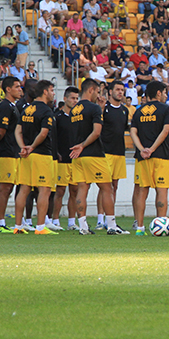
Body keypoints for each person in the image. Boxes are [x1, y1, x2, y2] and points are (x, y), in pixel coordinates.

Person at [69, 78, 120, 235]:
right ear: (91, 90)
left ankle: (83, 226)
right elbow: (96, 131)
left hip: (77, 156)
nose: (98, 95)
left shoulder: (74, 110)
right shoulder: (93, 108)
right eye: (97, 91)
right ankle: (111, 225)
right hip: (93, 154)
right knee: (107, 188)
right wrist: (84, 145)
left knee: (82, 189)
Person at [12, 80, 58, 235]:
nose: (53, 93)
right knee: (44, 190)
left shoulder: (27, 109)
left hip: (26, 156)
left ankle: (18, 226)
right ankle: (40, 227)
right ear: (45, 91)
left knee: (24, 189)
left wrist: (23, 147)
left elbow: (17, 131)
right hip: (41, 154)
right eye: (51, 90)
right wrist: (32, 147)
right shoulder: (46, 111)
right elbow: (44, 133)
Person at [130, 81, 169, 235]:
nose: (166, 95)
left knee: (142, 192)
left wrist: (143, 150)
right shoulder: (166, 109)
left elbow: (133, 132)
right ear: (158, 93)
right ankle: (161, 226)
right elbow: (166, 130)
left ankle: (140, 228)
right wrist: (153, 149)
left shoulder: (138, 111)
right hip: (161, 156)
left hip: (142, 158)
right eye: (164, 92)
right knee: (161, 192)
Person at [0, 76, 22, 233]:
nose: (20, 89)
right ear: (8, 89)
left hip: (12, 151)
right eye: (17, 87)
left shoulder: (13, 106)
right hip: (5, 152)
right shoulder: (5, 106)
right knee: (4, 187)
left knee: (8, 187)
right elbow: (1, 131)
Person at [97, 80, 130, 232]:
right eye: (117, 89)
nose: (120, 92)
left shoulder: (125, 110)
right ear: (110, 91)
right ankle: (100, 219)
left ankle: (111, 218)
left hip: (119, 153)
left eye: (122, 90)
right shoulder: (104, 108)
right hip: (105, 152)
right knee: (105, 187)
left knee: (114, 186)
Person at [53, 87, 80, 231]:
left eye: (76, 98)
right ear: (65, 99)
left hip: (75, 160)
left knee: (75, 190)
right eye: (72, 98)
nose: (75, 101)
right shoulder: (57, 117)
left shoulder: (79, 118)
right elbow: (53, 138)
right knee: (60, 190)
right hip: (62, 159)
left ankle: (71, 221)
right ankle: (55, 220)